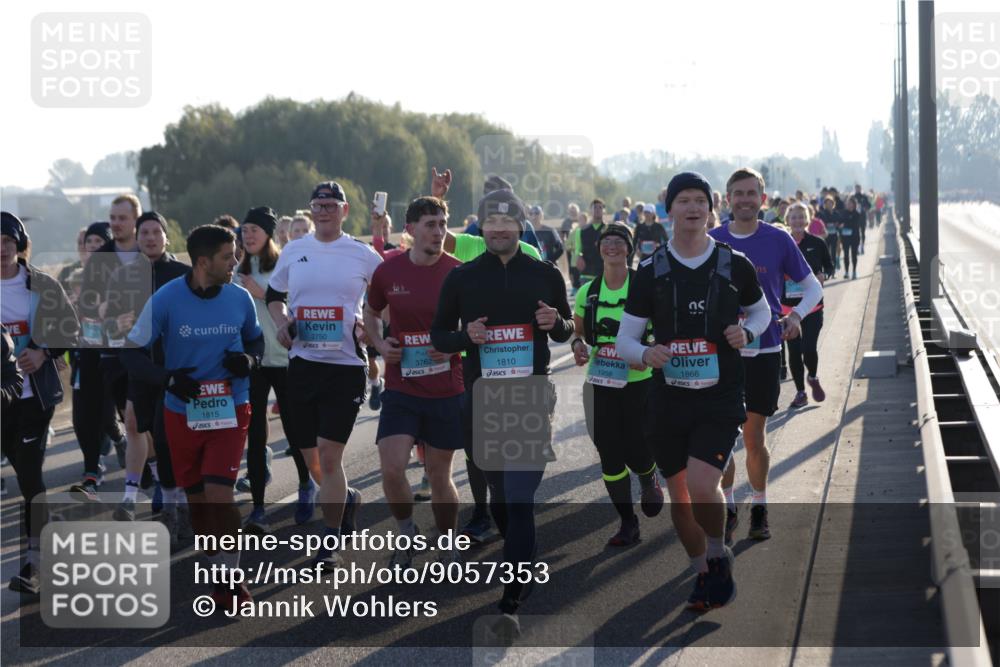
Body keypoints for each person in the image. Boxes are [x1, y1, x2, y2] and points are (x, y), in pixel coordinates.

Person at [615, 172, 770, 611]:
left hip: (719, 396)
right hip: (668, 399)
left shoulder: (732, 263)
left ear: (711, 208)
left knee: (704, 484)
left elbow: (762, 314)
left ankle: (718, 552)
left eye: (700, 200)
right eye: (683, 200)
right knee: (680, 495)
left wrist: (747, 332)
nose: (692, 207)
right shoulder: (650, 271)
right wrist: (646, 356)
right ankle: (702, 571)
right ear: (669, 209)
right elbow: (626, 341)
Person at [431, 187, 574, 636]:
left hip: (530, 396)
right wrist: (464, 336)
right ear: (480, 225)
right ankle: (519, 556)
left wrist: (558, 323)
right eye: (489, 221)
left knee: (519, 498)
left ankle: (511, 599)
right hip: (481, 399)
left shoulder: (545, 273)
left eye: (506, 220)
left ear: (519, 224)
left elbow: (566, 329)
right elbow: (439, 335)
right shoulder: (462, 277)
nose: (497, 228)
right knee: (498, 499)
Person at [121, 224, 263, 610]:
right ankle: (218, 573)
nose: (235, 261)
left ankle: (233, 577)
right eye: (227, 256)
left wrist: (249, 359)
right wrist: (167, 378)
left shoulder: (239, 298)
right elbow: (131, 353)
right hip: (182, 412)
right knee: (198, 503)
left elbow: (255, 339)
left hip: (231, 405)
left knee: (220, 494)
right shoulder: (167, 299)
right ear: (203, 262)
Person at [266, 181, 381, 570]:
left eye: (331, 205)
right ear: (310, 210)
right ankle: (346, 498)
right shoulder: (295, 251)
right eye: (317, 205)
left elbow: (384, 299)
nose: (323, 211)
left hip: (345, 367)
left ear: (344, 211)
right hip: (302, 365)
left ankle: (328, 541)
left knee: (330, 457)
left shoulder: (362, 254)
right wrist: (282, 323)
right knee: (311, 456)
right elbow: (273, 295)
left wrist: (371, 324)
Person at [709, 168, 822, 542]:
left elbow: (813, 287)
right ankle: (728, 507)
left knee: (754, 436)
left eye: (751, 193)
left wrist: (795, 316)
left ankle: (759, 505)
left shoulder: (778, 239)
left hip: (766, 348)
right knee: (722, 437)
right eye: (737, 194)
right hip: (722, 352)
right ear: (727, 199)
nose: (744, 200)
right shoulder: (712, 241)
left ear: (763, 199)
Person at [434, 169, 540, 543]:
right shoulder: (468, 244)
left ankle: (513, 508)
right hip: (477, 367)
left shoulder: (526, 250)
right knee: (478, 447)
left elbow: (544, 297)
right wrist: (438, 196)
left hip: (521, 369)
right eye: (488, 207)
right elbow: (435, 239)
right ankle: (482, 511)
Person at [365, 196, 464, 567]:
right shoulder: (388, 272)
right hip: (402, 388)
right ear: (409, 230)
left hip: (445, 388)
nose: (438, 232)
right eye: (430, 225)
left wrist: (454, 347)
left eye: (442, 224)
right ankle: (406, 531)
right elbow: (371, 312)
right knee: (391, 468)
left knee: (439, 475)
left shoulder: (458, 273)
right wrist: (378, 343)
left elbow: (476, 330)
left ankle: (448, 540)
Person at [572, 223, 663, 546]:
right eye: (606, 242)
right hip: (600, 380)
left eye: (618, 242)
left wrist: (645, 351)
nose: (612, 246)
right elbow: (578, 331)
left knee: (637, 447)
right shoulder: (588, 292)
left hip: (639, 381)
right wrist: (577, 346)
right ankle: (627, 522)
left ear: (629, 248)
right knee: (609, 451)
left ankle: (648, 474)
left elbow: (662, 328)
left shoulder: (643, 285)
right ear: (599, 248)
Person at [2, 211, 79, 593]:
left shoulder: (42, 285)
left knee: (30, 474)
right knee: (21, 470)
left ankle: (35, 564)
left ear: (20, 246)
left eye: (7, 242)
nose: (1, 250)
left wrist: (42, 351)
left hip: (34, 397)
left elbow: (71, 329)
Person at [235, 206, 320, 532]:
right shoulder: (236, 268)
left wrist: (263, 294)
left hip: (285, 359)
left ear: (269, 233)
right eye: (245, 230)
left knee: (296, 430)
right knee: (254, 435)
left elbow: (299, 304)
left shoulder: (286, 263)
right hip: (253, 362)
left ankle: (305, 485)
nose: (249, 235)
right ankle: (258, 506)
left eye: (255, 229)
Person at [103, 211, 189, 530]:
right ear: (137, 239)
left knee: (170, 438)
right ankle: (158, 492)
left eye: (156, 232)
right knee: (140, 426)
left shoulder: (183, 274)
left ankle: (176, 501)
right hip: (138, 366)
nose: (150, 238)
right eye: (144, 233)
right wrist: (117, 322)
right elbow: (108, 323)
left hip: (175, 367)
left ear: (167, 237)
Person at [72, 196, 143, 500]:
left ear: (136, 221)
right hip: (103, 348)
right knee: (93, 411)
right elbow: (86, 299)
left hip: (143, 350)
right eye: (112, 217)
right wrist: (101, 309)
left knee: (140, 418)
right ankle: (93, 473)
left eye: (121, 218)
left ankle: (153, 474)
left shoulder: (147, 254)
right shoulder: (100, 258)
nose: (115, 223)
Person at [784, 202, 833, 409]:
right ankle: (800, 392)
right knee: (794, 352)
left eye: (800, 216)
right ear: (787, 220)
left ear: (808, 219)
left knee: (808, 348)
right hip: (787, 309)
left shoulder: (817, 243)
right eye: (793, 217)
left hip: (812, 306)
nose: (796, 220)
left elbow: (830, 266)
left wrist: (824, 275)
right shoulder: (781, 242)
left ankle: (812, 377)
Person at [573, 199, 607, 286]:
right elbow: (578, 249)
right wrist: (578, 256)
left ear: (604, 210)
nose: (597, 209)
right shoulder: (581, 231)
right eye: (595, 207)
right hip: (586, 274)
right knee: (587, 299)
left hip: (605, 273)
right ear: (590, 211)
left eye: (600, 207)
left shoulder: (609, 229)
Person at [840, 196, 864, 280]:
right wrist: (844, 224)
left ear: (854, 205)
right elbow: (840, 223)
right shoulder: (843, 213)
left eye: (851, 204)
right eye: (848, 203)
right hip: (845, 237)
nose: (849, 205)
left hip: (855, 237)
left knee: (854, 255)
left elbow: (856, 224)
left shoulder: (857, 213)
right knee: (846, 255)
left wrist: (845, 224)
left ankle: (854, 271)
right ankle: (846, 272)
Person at [817, 195, 841, 272]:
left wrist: (836, 224)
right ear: (824, 205)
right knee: (826, 253)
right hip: (825, 236)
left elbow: (840, 221)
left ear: (833, 204)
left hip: (834, 235)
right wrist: (831, 224)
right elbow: (823, 223)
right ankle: (826, 269)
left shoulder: (836, 213)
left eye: (830, 203)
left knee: (833, 252)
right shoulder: (822, 213)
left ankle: (833, 270)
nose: (829, 205)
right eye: (827, 204)